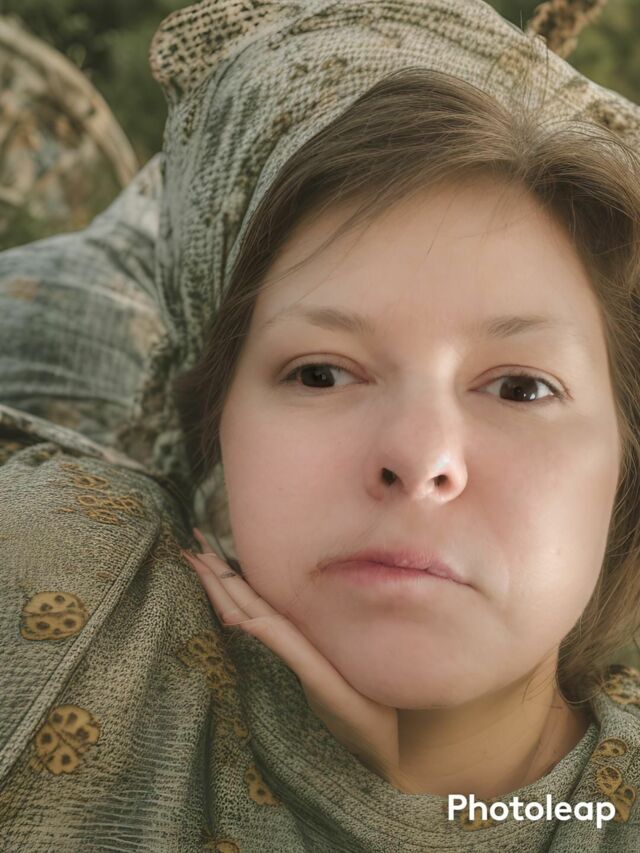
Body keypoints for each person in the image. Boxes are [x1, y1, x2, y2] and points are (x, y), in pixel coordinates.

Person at [1, 1, 640, 850]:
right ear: (220, 430)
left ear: (625, 462)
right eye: (321, 372)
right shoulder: (65, 588)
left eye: (521, 387)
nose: (419, 457)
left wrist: (432, 812)